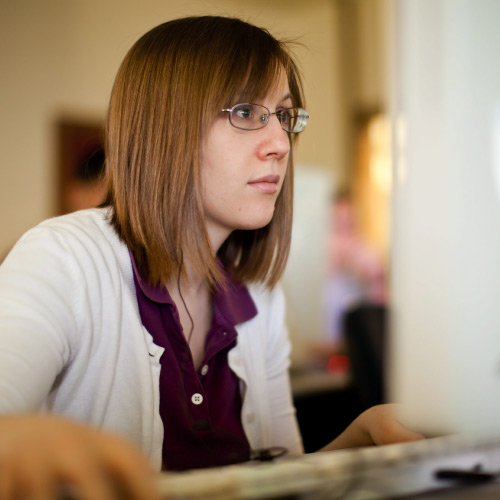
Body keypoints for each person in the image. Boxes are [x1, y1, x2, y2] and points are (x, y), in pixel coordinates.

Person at [0, 16, 423, 500]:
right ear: (165, 126)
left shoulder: (260, 298)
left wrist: (359, 440)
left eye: (284, 116)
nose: (281, 145)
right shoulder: (63, 258)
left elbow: (276, 479)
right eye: (246, 111)